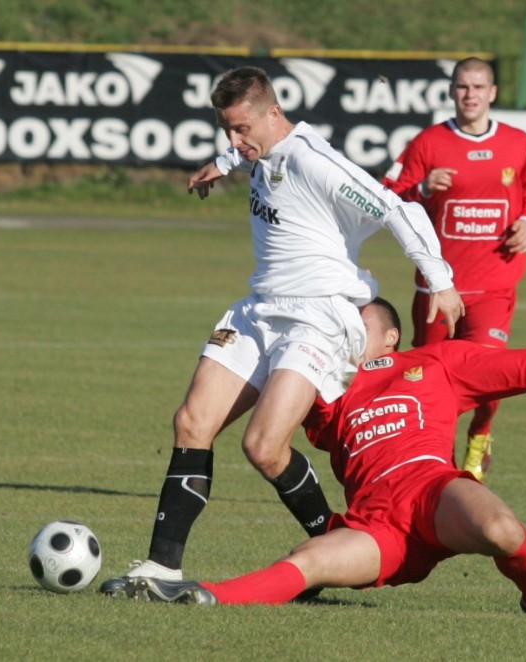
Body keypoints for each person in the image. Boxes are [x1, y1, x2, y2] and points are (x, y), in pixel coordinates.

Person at [100, 66, 463, 595]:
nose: (234, 139)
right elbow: (248, 153)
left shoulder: (315, 161)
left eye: (242, 129)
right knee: (191, 421)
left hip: (318, 318)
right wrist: (223, 163)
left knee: (265, 446)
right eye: (226, 129)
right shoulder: (257, 149)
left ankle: (333, 546)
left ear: (275, 113)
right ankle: (161, 568)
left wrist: (441, 282)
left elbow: (395, 207)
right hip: (260, 310)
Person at [121, 252, 526, 615]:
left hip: (435, 493)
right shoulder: (323, 383)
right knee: (308, 562)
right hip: (375, 528)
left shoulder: (437, 361)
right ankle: (203, 594)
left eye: (355, 319)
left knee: (502, 530)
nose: (340, 326)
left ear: (390, 335)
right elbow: (268, 422)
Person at [383, 56, 526, 481]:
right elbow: (387, 194)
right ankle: (436, 464)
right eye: (462, 87)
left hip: (495, 284)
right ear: (451, 91)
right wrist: (420, 189)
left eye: (478, 87)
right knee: (428, 380)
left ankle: (482, 432)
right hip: (438, 288)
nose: (470, 95)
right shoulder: (428, 143)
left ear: (493, 93)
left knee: (489, 372)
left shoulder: (517, 143)